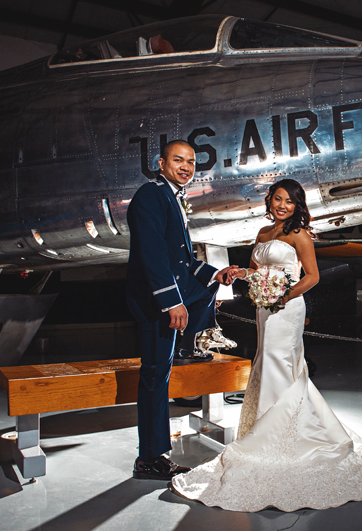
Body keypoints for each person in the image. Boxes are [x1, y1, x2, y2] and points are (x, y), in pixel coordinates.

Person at [171, 179, 362, 511]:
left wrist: (283, 296)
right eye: (277, 199)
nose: (282, 205)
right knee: (267, 361)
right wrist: (241, 274)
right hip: (265, 307)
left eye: (289, 201)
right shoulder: (263, 233)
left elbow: (312, 276)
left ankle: (281, 437)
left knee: (280, 362)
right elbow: (257, 271)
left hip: (288, 307)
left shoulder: (299, 235)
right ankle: (273, 429)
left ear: (297, 206)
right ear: (270, 201)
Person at [126, 139, 238, 481]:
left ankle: (190, 343)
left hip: (167, 296)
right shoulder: (150, 195)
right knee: (155, 378)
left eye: (190, 162)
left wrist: (216, 275)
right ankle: (150, 458)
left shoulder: (172, 196)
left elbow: (184, 262)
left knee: (160, 375)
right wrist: (172, 302)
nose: (186, 167)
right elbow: (154, 256)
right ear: (161, 164)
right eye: (178, 160)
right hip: (155, 303)